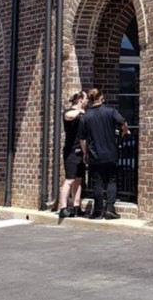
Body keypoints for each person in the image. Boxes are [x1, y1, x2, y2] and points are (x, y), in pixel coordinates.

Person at [79, 88, 130, 220]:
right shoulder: (110, 111)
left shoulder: (86, 116)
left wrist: (85, 154)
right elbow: (123, 124)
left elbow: (82, 138)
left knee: (98, 183)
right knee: (112, 181)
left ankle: (97, 211)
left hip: (95, 154)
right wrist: (123, 135)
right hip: (110, 152)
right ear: (101, 97)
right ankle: (110, 209)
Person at [57, 90, 88, 219]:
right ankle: (63, 208)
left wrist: (85, 152)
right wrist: (79, 111)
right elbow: (68, 115)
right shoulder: (70, 112)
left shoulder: (83, 116)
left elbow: (83, 137)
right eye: (85, 99)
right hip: (70, 152)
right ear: (81, 99)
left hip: (80, 151)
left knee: (79, 179)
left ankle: (76, 207)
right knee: (69, 179)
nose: (87, 101)